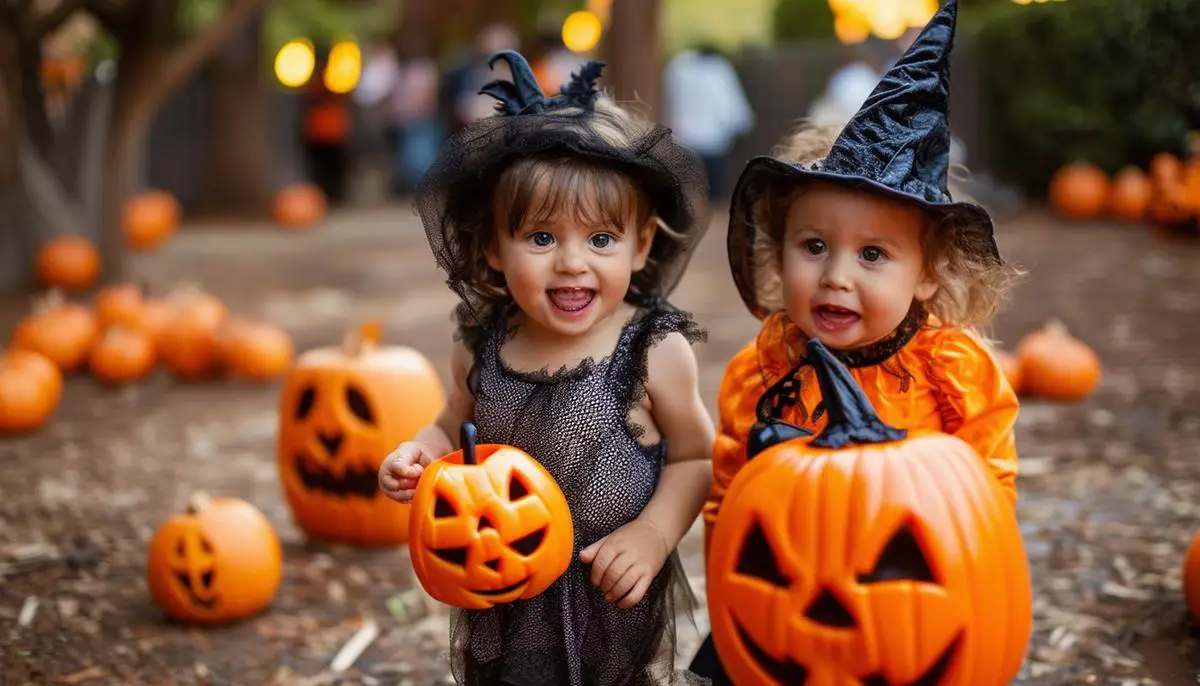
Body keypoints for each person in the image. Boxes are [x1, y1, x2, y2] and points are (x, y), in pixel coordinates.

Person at [690, 3, 1022, 681]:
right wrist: (733, 585)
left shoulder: (952, 371)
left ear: (928, 273)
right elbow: (729, 491)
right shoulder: (765, 370)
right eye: (813, 246)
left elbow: (986, 499)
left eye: (873, 255)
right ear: (779, 255)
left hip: (910, 601)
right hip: (785, 601)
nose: (836, 277)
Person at [379, 50, 715, 686]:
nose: (570, 263)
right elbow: (454, 421)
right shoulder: (482, 341)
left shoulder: (651, 350)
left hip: (606, 591)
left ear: (641, 245)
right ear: (491, 248)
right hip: (499, 581)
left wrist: (652, 535)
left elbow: (695, 458)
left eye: (600, 239)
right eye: (540, 238)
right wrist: (417, 452)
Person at [662, 43, 754, 201]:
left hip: (685, 139)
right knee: (713, 193)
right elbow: (729, 105)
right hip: (713, 142)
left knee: (688, 193)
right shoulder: (719, 72)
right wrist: (740, 125)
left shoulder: (680, 68)